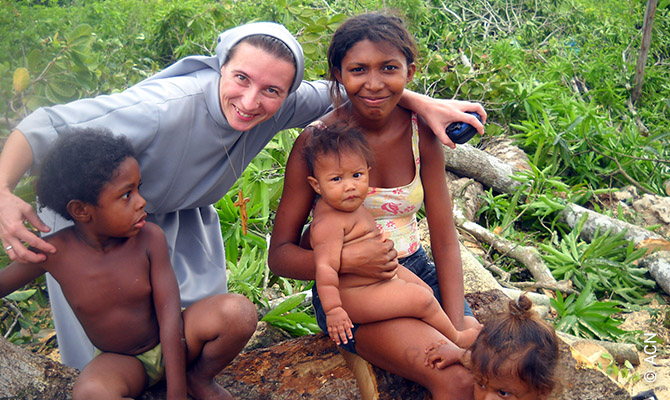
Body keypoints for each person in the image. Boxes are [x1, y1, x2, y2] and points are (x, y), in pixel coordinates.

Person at [0, 21, 484, 371]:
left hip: (177, 222)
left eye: (272, 90)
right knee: (110, 347)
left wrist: (420, 101)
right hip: (102, 226)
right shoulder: (164, 107)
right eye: (241, 79)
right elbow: (44, 125)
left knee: (193, 340)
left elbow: (360, 88)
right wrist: (1, 192)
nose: (252, 101)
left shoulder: (283, 103)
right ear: (220, 68)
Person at [268, 13, 486, 399]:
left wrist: (455, 325)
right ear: (338, 74)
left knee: (492, 367)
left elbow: (443, 236)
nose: (373, 83)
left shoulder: (421, 132)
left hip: (416, 274)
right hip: (350, 293)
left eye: (388, 68)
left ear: (410, 71)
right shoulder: (317, 144)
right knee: (457, 380)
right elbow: (280, 256)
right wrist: (348, 262)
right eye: (358, 69)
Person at [0, 128, 246, 399]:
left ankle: (198, 379)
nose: (142, 202)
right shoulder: (53, 252)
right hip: (123, 362)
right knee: (90, 392)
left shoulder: (149, 238)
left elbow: (168, 314)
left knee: (238, 312)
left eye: (138, 188)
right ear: (82, 210)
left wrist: (176, 390)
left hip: (177, 339)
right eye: (126, 195)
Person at [305, 123, 480, 349]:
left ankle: (435, 330)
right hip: (354, 293)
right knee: (422, 299)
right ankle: (456, 340)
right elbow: (325, 268)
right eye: (337, 179)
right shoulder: (328, 221)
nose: (349, 186)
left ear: (368, 173)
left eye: (356, 175)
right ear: (316, 185)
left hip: (383, 274)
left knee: (425, 291)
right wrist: (334, 310)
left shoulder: (353, 206)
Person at [425, 295, 560, 400]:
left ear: (542, 391)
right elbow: (478, 365)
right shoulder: (499, 376)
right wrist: (458, 354)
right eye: (481, 385)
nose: (487, 398)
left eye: (503, 393)